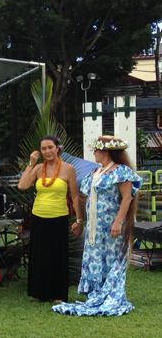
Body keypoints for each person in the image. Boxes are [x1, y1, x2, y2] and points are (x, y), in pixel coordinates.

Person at [53, 136, 142, 316]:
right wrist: (80, 221)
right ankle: (98, 292)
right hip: (95, 226)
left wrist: (118, 221)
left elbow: (127, 197)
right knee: (96, 258)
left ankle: (110, 293)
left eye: (96, 150)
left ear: (106, 151)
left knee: (113, 258)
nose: (93, 153)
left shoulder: (121, 171)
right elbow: (87, 198)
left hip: (112, 224)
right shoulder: (96, 172)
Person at [18, 135, 81, 303]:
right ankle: (41, 293)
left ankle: (58, 295)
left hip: (59, 216)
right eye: (44, 149)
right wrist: (31, 164)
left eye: (50, 147)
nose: (47, 151)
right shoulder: (38, 168)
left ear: (57, 148)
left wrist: (79, 220)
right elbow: (22, 185)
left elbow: (75, 196)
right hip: (39, 216)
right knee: (40, 256)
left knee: (57, 256)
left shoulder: (68, 169)